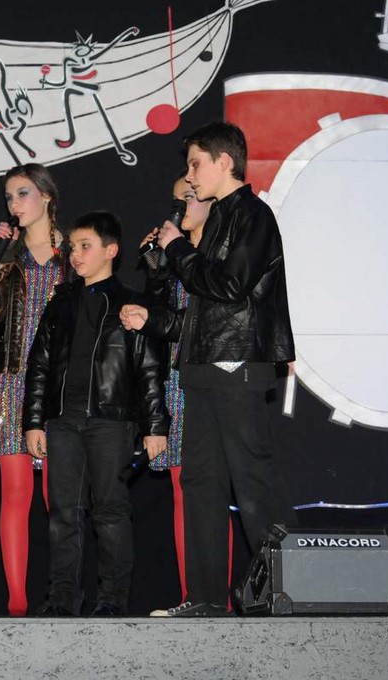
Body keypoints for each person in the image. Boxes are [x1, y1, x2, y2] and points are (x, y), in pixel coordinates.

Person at [121, 121, 297, 617]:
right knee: (201, 483)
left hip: (237, 364)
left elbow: (230, 286)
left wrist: (178, 247)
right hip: (202, 367)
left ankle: (290, 588)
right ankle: (204, 599)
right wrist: (157, 295)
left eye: (196, 164)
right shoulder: (219, 218)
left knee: (251, 479)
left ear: (224, 162)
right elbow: (203, 310)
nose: (191, 176)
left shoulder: (253, 215)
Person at [23, 211, 168, 617]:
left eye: (85, 246)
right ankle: (62, 599)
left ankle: (112, 601)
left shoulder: (131, 303)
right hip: (63, 422)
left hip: (111, 420)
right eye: (72, 247)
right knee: (63, 514)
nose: (76, 254)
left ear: (111, 250)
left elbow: (149, 368)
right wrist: (33, 421)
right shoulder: (61, 303)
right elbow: (39, 364)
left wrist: (156, 426)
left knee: (110, 512)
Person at [131, 175, 239, 613]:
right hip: (176, 381)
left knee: (212, 492)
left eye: (191, 197)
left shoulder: (219, 255)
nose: (181, 206)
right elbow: (157, 325)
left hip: (215, 378)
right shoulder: (172, 255)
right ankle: (192, 597)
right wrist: (157, 272)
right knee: (183, 491)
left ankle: (218, 599)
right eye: (177, 199)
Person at [0, 163, 68, 616]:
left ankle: (62, 593)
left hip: (61, 383)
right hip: (15, 380)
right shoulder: (8, 255)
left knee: (60, 496)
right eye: (9, 196)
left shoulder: (73, 251)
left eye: (23, 193)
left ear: (46, 195)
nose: (14, 204)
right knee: (15, 492)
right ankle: (17, 601)